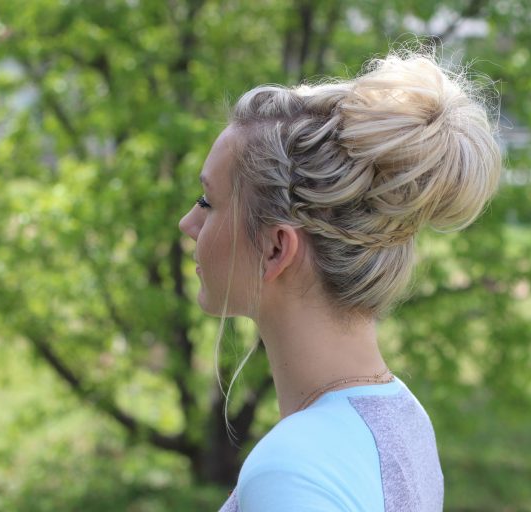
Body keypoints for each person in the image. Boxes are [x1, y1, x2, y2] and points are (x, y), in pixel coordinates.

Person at [178, 50, 501, 512]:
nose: (189, 223)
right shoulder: (401, 416)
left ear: (275, 248)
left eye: (207, 202)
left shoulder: (292, 473)